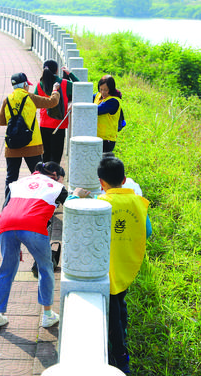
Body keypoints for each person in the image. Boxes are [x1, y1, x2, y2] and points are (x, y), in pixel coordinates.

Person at [72, 156, 151, 374]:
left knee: (112, 313)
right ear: (124, 179)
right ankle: (122, 336)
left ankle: (120, 355)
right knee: (120, 302)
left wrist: (74, 196)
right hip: (127, 262)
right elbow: (148, 231)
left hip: (106, 265)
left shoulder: (101, 203)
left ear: (101, 182)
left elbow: (77, 220)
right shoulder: (138, 201)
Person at [0, 161, 68, 330]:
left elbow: (6, 206)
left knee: (6, 270)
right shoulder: (55, 186)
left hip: (6, 224)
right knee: (45, 268)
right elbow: (71, 203)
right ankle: (47, 315)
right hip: (33, 226)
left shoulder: (18, 183)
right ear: (55, 175)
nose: (62, 183)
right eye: (62, 179)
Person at [0, 72, 60, 200]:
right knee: (39, 175)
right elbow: (52, 102)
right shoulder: (30, 97)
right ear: (25, 85)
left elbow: (0, 121)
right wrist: (55, 90)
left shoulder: (7, 100)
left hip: (12, 145)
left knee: (11, 177)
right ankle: (40, 203)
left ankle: (7, 205)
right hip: (32, 144)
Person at [34, 60, 79, 164]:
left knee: (45, 156)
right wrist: (70, 74)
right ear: (57, 70)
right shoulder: (64, 83)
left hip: (44, 124)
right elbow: (81, 87)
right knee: (56, 157)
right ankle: (54, 177)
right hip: (59, 124)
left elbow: (35, 101)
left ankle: (45, 177)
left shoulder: (40, 85)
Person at [94, 75, 123, 153]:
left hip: (106, 140)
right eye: (101, 89)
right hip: (97, 136)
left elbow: (95, 110)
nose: (103, 92)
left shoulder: (113, 102)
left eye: (106, 90)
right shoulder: (98, 95)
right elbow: (85, 97)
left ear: (111, 89)